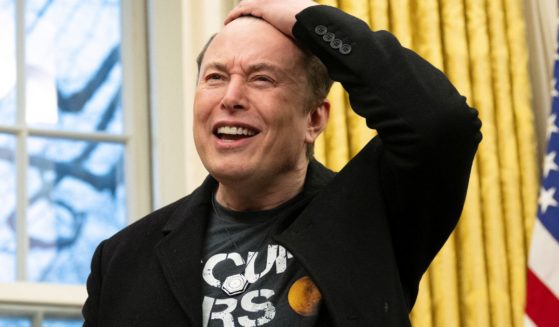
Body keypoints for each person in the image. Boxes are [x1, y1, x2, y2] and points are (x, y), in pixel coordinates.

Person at [82, 0, 482, 326]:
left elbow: (440, 124)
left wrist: (308, 20)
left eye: (261, 79)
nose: (231, 97)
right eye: (216, 77)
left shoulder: (373, 216)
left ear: (314, 119)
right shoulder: (121, 260)